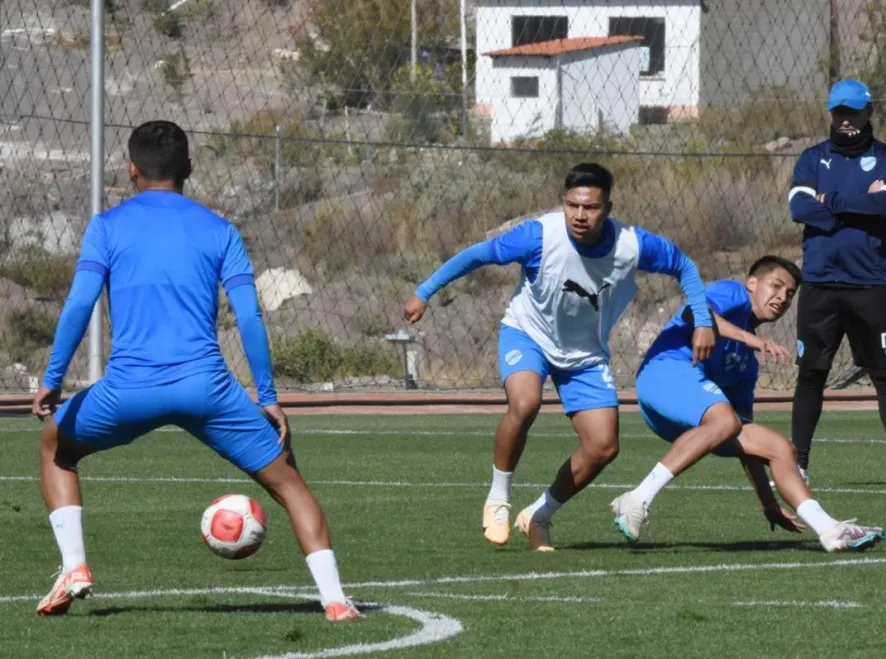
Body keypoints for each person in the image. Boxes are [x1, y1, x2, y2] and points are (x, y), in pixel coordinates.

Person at [32, 121, 359, 621]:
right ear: (190, 168)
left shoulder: (107, 225)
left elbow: (80, 303)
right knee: (290, 484)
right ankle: (335, 601)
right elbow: (248, 317)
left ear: (130, 169)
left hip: (127, 391)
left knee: (57, 447)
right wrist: (267, 395)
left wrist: (54, 377)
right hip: (208, 390)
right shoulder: (219, 230)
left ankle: (75, 567)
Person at [403, 163, 715, 551]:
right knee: (525, 401)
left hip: (584, 355)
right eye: (572, 206)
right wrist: (424, 291)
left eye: (591, 208)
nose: (580, 216)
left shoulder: (633, 245)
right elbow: (478, 255)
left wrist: (702, 319)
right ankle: (499, 497)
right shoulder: (539, 236)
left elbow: (684, 265)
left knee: (603, 447)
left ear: (608, 208)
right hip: (527, 334)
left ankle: (538, 515)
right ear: (563, 203)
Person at [610, 256, 886, 552]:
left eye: (789, 295)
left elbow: (745, 441)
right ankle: (637, 498)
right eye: (776, 286)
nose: (781, 298)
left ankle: (829, 530)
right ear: (752, 284)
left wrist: (768, 504)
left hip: (694, 416)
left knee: (780, 448)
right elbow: (695, 312)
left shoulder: (745, 366)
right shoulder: (733, 293)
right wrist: (751, 340)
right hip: (663, 373)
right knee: (725, 420)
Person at [788, 78, 886, 490]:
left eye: (853, 112)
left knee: (885, 374)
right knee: (811, 375)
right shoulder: (812, 159)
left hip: (870, 285)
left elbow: (881, 204)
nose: (845, 120)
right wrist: (851, 206)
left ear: (868, 112)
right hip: (820, 285)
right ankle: (799, 465)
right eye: (838, 112)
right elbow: (797, 207)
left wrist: (829, 203)